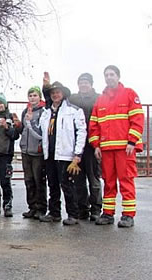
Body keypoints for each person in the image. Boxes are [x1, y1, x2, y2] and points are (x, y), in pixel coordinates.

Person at [89, 65, 143, 228]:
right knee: (109, 182)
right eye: (106, 75)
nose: (109, 77)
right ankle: (108, 213)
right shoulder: (101, 99)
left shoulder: (129, 94)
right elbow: (94, 125)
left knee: (126, 181)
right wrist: (96, 145)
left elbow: (138, 119)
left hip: (124, 149)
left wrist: (132, 141)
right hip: (106, 149)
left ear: (118, 76)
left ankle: (128, 215)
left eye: (112, 74)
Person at [39, 80, 86, 226]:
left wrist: (77, 154)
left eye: (58, 92)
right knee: (52, 184)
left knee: (67, 185)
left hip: (66, 155)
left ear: (63, 94)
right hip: (50, 154)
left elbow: (82, 132)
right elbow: (40, 131)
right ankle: (54, 213)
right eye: (52, 93)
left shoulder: (74, 110)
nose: (55, 95)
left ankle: (73, 214)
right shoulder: (46, 113)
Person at [68, 73, 102, 221]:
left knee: (94, 178)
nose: (83, 85)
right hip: (76, 146)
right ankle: (83, 208)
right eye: (81, 82)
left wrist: (98, 144)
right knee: (78, 179)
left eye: (86, 82)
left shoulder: (98, 98)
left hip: (92, 144)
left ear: (91, 84)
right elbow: (55, 99)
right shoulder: (73, 99)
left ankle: (96, 208)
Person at [18, 86, 47, 219]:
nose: (32, 98)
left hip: (37, 152)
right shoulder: (25, 111)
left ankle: (41, 208)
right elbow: (23, 129)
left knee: (39, 180)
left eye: (35, 95)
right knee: (28, 180)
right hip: (25, 150)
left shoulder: (43, 111)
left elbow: (42, 132)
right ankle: (32, 207)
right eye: (30, 95)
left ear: (39, 97)